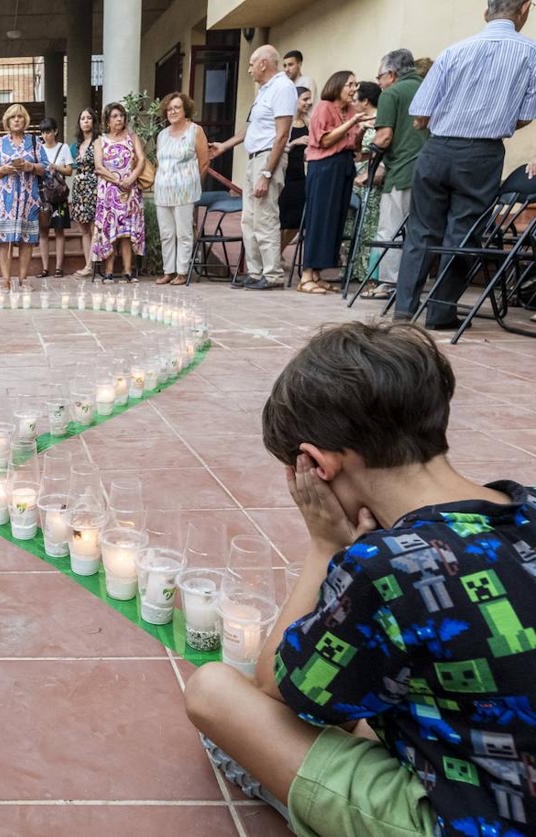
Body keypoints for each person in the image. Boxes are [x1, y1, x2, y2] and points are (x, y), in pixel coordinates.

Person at [185, 319, 536, 837]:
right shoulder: (525, 505)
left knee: (214, 691)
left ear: (316, 465)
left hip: (481, 819)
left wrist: (325, 544)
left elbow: (277, 686)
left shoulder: (388, 566)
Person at [397, 0, 536, 329]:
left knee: (421, 230)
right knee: (464, 235)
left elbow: (420, 111)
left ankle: (404, 310)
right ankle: (441, 312)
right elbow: (526, 114)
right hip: (481, 153)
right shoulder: (531, 52)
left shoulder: (454, 50)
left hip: (437, 147)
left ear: (486, 12)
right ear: (525, 10)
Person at [209, 45, 298, 291]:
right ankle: (255, 271)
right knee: (249, 219)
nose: (248, 69)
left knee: (265, 217)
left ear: (263, 64)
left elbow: (281, 136)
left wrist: (267, 173)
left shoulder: (282, 88)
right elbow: (252, 128)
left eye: (251, 64)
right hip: (254, 158)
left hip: (268, 159)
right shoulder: (264, 91)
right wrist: (224, 146)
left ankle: (272, 275)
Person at [298, 72, 368, 295]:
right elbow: (324, 139)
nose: (353, 89)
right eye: (349, 84)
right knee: (319, 217)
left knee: (335, 219)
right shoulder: (324, 107)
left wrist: (362, 129)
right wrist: (352, 123)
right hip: (324, 166)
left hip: (344, 164)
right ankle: (306, 274)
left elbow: (353, 145)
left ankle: (318, 274)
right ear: (337, 85)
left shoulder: (350, 110)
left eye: (355, 85)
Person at [368, 49, 428, 301]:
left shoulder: (391, 94)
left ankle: (390, 283)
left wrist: (370, 161)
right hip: (430, 170)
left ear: (391, 74)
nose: (379, 82)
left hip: (402, 170)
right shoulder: (427, 86)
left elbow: (384, 137)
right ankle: (414, 282)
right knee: (420, 230)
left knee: (390, 229)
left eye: (379, 76)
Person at [0, 104, 47, 290]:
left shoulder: (35, 142)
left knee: (26, 239)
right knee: (4, 240)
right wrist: (4, 170)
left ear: (26, 120)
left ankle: (23, 278)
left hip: (29, 198)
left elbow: (46, 167)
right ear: (7, 121)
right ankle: (5, 280)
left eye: (20, 117)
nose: (17, 120)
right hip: (4, 200)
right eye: (13, 117)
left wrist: (31, 167)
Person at [153, 92, 209, 286]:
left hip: (185, 190)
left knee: (183, 233)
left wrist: (194, 184)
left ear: (185, 109)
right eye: (169, 108)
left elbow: (204, 162)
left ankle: (182, 272)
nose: (173, 111)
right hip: (163, 191)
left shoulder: (195, 130)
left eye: (177, 107)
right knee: (166, 233)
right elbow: (160, 163)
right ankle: (168, 271)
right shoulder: (162, 135)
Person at [91, 101, 146, 283]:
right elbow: (99, 167)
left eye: (121, 115)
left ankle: (128, 271)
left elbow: (142, 160)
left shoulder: (132, 137)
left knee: (127, 232)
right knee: (109, 231)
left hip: (130, 192)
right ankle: (108, 271)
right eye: (114, 116)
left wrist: (131, 179)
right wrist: (117, 180)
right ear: (107, 120)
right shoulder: (100, 141)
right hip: (108, 192)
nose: (119, 119)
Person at [350, 82, 384, 289]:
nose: (353, 102)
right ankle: (356, 268)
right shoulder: (359, 120)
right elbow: (355, 149)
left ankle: (370, 271)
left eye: (356, 99)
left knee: (371, 221)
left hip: (373, 174)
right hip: (358, 171)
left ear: (365, 101)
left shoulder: (381, 118)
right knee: (357, 222)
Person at [36, 117, 73, 279]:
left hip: (58, 195)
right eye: (43, 132)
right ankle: (45, 268)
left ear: (55, 131)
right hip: (43, 195)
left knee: (59, 231)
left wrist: (55, 167)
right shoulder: (38, 149)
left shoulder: (63, 147)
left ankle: (58, 267)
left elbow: (69, 171)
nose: (46, 135)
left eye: (49, 132)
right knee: (43, 231)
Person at [280, 87, 313, 250]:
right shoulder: (285, 122)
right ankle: (273, 256)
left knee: (297, 220)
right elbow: (277, 146)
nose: (309, 103)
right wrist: (294, 143)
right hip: (284, 174)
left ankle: (278, 251)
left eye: (309, 99)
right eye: (305, 99)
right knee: (281, 219)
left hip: (300, 175)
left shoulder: (308, 122)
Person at [70, 108, 100, 279]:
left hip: (94, 186)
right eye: (83, 118)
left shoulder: (98, 142)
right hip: (79, 187)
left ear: (94, 122)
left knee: (95, 227)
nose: (86, 121)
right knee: (83, 229)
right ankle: (87, 264)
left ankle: (92, 264)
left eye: (89, 118)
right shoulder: (76, 145)